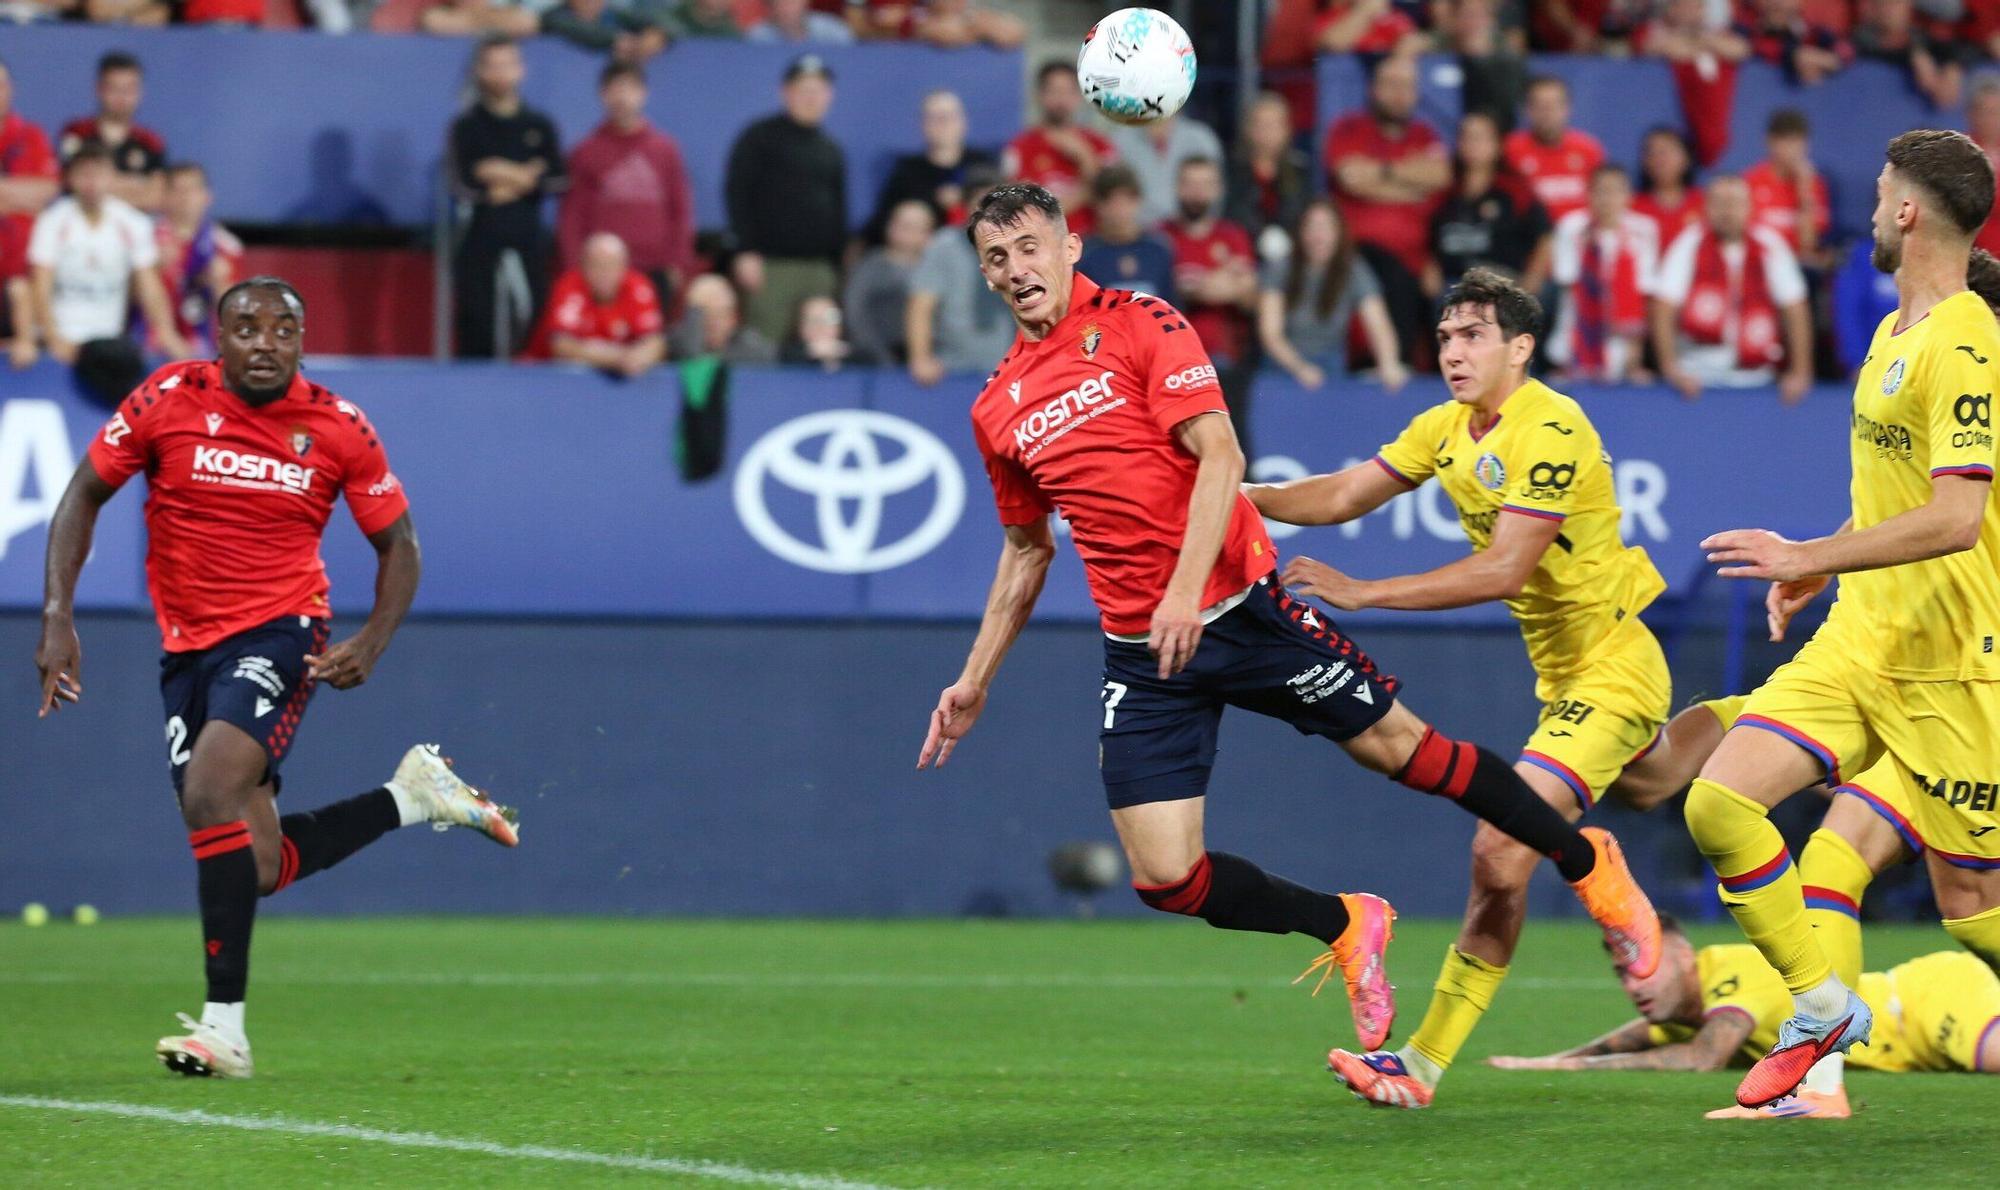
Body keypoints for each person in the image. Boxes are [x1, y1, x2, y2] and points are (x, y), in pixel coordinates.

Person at [919, 183, 1659, 1079]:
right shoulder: (997, 404)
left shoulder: (1142, 321)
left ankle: (1588, 863)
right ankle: (1347, 924)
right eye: (997, 258)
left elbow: (1221, 455)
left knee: (1406, 754)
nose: (1016, 270)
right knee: (1166, 879)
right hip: (1144, 649)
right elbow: (1025, 552)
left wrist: (1187, 590)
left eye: (1030, 246)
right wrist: (975, 679)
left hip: (1238, 606)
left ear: (1071, 246)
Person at [34, 277, 520, 1079]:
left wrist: (374, 637)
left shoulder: (338, 428)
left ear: (302, 339)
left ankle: (225, 1029)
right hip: (186, 647)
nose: (266, 341)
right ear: (217, 337)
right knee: (253, 864)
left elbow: (400, 546)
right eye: (248, 327)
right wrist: (59, 615)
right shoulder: (165, 397)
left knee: (208, 789)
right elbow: (84, 495)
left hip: (283, 631)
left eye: (284, 328)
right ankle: (413, 797)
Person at [1246, 267, 1675, 1108]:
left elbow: (1505, 566)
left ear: (1521, 347)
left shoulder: (1552, 425)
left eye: (1473, 334)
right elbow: (1341, 492)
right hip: (1565, 677)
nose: (1452, 350)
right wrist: (1235, 496)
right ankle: (1752, 733)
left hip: (1616, 664)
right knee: (1651, 785)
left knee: (1498, 849)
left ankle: (1423, 1062)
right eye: (1445, 336)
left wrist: (1368, 593)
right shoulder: (1445, 426)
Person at [1685, 129, 2000, 1110]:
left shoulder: (1965, 340)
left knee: (1969, 906)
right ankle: (1821, 1009)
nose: (1864, 210)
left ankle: (1819, 1056)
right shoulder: (1888, 333)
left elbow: (1954, 515)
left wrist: (1803, 555)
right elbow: (1888, 494)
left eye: (1876, 194)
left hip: (1950, 666)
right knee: (1718, 802)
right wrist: (1821, 566)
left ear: (1906, 210)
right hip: (1858, 643)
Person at [20, 145, 187, 400]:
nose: (92, 183)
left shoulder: (132, 222)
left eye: (98, 174)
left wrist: (167, 332)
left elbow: (149, 286)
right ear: (71, 179)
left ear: (111, 177)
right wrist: (54, 339)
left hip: (110, 342)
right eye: (84, 174)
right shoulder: (53, 221)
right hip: (61, 339)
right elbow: (40, 284)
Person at [1324, 53, 1449, 368]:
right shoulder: (1350, 128)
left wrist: (1379, 175)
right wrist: (1410, 185)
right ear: (1374, 89)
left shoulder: (1425, 134)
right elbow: (1351, 178)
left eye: (1407, 86)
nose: (1399, 94)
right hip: (1358, 253)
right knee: (1383, 266)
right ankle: (1375, 366)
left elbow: (1440, 175)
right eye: (1391, 85)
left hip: (1418, 258)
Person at [449, 35, 566, 359]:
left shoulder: (539, 125)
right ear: (479, 71)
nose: (501, 72)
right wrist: (527, 175)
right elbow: (464, 183)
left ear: (521, 69)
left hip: (528, 234)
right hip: (481, 236)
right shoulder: (467, 126)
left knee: (534, 312)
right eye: (492, 65)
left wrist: (499, 171)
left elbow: (557, 178)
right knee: (478, 322)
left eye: (508, 64)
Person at [1650, 174, 1813, 403]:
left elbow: (1795, 309)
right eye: (1719, 203)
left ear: (1749, 207)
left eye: (1734, 203)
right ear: (1706, 207)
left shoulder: (1770, 244)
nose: (1727, 211)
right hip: (1697, 380)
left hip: (1758, 380)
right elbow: (1663, 308)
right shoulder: (1689, 243)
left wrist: (1800, 372)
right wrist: (1671, 368)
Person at [726, 54, 847, 344]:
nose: (812, 98)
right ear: (786, 92)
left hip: (819, 270)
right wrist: (746, 250)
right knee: (764, 345)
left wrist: (836, 267)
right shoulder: (759, 138)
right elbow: (738, 193)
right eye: (804, 89)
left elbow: (839, 209)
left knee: (822, 350)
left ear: (829, 96)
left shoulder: (830, 149)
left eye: (819, 90)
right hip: (771, 268)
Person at [557, 63, 694, 314]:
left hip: (655, 269)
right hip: (601, 273)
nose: (622, 97)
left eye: (630, 88)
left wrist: (677, 262)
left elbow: (680, 210)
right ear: (602, 94)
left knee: (650, 346)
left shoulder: (665, 150)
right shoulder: (585, 152)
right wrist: (575, 267)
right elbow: (572, 216)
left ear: (644, 93)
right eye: (615, 89)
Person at [1161, 157, 1260, 445]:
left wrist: (1199, 286)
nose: (1197, 192)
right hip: (1173, 362)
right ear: (1177, 188)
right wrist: (1221, 282)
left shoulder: (1233, 236)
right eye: (1190, 184)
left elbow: (1250, 297)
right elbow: (1171, 294)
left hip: (1226, 359)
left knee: (1231, 447)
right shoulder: (1161, 237)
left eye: (1205, 184)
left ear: (1218, 190)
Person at [1259, 200, 1405, 393]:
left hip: (1330, 362)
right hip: (1282, 364)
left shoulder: (1353, 269)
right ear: (1300, 233)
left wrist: (1389, 363)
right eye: (1311, 227)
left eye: (1326, 227)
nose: (1319, 236)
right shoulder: (1281, 268)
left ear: (1339, 233)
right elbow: (1271, 334)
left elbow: (1378, 324)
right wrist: (1300, 369)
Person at [1547, 165, 1657, 384]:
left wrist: (1635, 359)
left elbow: (1642, 295)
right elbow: (1570, 292)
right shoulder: (1571, 227)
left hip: (1622, 346)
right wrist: (1569, 356)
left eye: (1615, 191)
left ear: (1628, 196)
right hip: (1577, 344)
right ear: (1588, 194)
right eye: (1601, 191)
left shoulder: (1644, 230)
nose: (1608, 199)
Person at [1425, 109, 1551, 299]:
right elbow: (1429, 240)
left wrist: (1532, 279)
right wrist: (1430, 269)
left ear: (1498, 144)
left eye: (1480, 138)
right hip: (1455, 284)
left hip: (1504, 283)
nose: (1472, 144)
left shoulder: (1515, 190)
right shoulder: (1445, 191)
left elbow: (1544, 235)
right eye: (1467, 137)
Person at [905, 166, 1012, 384]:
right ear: (965, 207)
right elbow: (921, 304)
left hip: (1008, 369)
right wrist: (920, 358)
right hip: (951, 369)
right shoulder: (944, 245)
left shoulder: (1018, 248)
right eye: (981, 204)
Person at [863, 90, 995, 245]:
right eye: (934, 118)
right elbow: (882, 223)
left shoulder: (983, 166)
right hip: (917, 257)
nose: (942, 124)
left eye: (948, 117)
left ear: (963, 121)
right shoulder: (906, 172)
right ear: (922, 124)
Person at [528, 231, 665, 377]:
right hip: (545, 377)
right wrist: (616, 358)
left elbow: (656, 341)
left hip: (616, 379)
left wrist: (639, 357)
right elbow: (561, 346)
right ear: (583, 265)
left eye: (611, 266)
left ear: (624, 266)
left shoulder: (638, 287)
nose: (604, 273)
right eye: (597, 265)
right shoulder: (569, 285)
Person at [1002, 62, 1116, 236]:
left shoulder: (1100, 145)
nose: (1061, 100)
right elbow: (1025, 209)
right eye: (1054, 91)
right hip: (1041, 244)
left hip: (1095, 245)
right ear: (1040, 95)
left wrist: (1086, 159)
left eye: (1069, 92)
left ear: (1079, 96)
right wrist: (1085, 192)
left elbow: (1114, 202)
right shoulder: (1020, 148)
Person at [0, 58, 59, 362]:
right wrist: (18, 193)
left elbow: (46, 191)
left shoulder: (30, 136)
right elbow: (31, 192)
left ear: (10, 90)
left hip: (22, 268)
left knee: (22, 285)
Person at [150, 162, 241, 358]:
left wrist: (219, 283)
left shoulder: (225, 246)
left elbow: (235, 313)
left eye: (192, 189)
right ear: (164, 197)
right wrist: (152, 269)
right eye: (177, 190)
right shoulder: (144, 240)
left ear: (207, 197)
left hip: (199, 345)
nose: (185, 197)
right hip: (148, 342)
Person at [58, 51, 166, 212]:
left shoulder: (150, 142)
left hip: (132, 231)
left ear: (140, 92)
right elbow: (69, 185)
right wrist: (134, 185)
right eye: (114, 88)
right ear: (99, 89)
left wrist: (98, 184)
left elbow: (156, 198)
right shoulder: (77, 133)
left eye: (129, 89)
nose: (121, 97)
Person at [1503, 76, 1604, 225]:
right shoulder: (1510, 149)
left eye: (1554, 105)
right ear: (1527, 110)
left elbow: (1603, 199)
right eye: (1540, 105)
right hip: (1529, 237)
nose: (1547, 112)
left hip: (1579, 239)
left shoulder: (1588, 149)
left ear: (1567, 108)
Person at [844, 198, 933, 364]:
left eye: (916, 227)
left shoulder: (938, 269)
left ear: (929, 234)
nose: (908, 233)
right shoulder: (871, 265)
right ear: (890, 227)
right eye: (903, 225)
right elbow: (855, 310)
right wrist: (878, 356)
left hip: (931, 361)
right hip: (877, 357)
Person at [1743, 109, 1833, 269]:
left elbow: (1807, 246)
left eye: (1797, 141)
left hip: (1799, 267)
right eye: (1785, 141)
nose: (1792, 149)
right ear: (1769, 142)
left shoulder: (1814, 184)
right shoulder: (1751, 182)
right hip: (1760, 264)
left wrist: (1804, 189)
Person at [1107, 112, 1227, 230]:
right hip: (1138, 235)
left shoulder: (1201, 138)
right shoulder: (1121, 141)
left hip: (1191, 232)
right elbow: (1111, 195)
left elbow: (1216, 192)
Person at [1077, 165, 1176, 305]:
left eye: (1126, 201)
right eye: (1113, 202)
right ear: (1099, 206)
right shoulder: (1085, 253)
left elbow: (1173, 306)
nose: (1120, 210)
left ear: (1138, 201)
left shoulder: (1158, 249)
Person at [1224, 92, 1312, 246]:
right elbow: (1233, 214)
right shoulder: (1231, 171)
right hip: (1243, 250)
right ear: (1248, 129)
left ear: (1286, 130)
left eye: (1273, 125)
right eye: (1261, 125)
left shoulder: (1301, 171)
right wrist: (1261, 237)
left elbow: (1302, 215)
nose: (1266, 132)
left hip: (1291, 253)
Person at [1853, 0, 1960, 109]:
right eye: (1883, 3)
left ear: (1909, 5)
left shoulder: (1920, 37)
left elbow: (1954, 50)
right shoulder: (1861, 38)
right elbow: (1876, 52)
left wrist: (1952, 67)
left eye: (1896, 3)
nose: (1889, 9)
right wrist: (1914, 58)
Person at [668, 272, 776, 363]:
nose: (713, 324)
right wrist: (695, 309)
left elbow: (772, 357)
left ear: (733, 319)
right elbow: (691, 357)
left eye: (720, 316)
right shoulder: (677, 340)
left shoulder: (747, 342)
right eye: (707, 317)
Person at [1735, 0, 1852, 84]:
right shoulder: (1744, 28)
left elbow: (1846, 51)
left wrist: (1829, 60)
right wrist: (1796, 55)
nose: (1777, 3)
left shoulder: (1810, 31)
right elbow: (1758, 48)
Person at [1631, 126, 1704, 251]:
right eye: (1653, 153)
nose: (1661, 160)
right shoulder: (1632, 206)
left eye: (1667, 152)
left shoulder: (1704, 203)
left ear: (1686, 158)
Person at [781, 293, 851, 370]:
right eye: (812, 320)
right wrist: (810, 352)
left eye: (829, 319)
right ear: (799, 326)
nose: (820, 327)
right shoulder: (784, 358)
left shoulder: (859, 356)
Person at [748, 0, 854, 42]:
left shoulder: (833, 30)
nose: (787, 8)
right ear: (771, 7)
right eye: (781, 2)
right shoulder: (758, 37)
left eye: (792, 2)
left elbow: (850, 61)